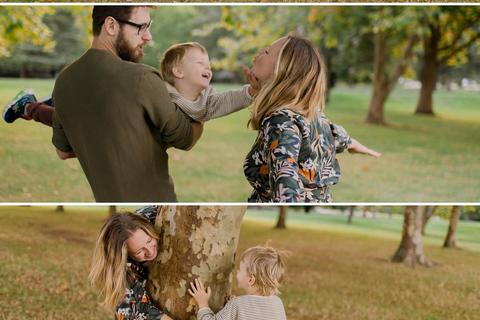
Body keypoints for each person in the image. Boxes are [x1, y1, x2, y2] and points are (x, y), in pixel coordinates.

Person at [4, 6, 203, 202]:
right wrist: (201, 104)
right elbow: (185, 139)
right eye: (141, 27)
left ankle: (29, 106)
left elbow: (63, 152)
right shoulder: (142, 77)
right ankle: (30, 106)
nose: (148, 36)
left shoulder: (64, 78)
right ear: (111, 25)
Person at [243, 32, 381, 203]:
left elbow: (285, 184)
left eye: (267, 52)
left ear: (281, 70)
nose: (260, 49)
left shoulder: (280, 123)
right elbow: (336, 135)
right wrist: (357, 146)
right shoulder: (311, 114)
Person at [3, 42, 257, 126]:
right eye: (200, 62)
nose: (208, 67)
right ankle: (28, 106)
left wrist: (253, 90)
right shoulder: (159, 89)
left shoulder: (206, 102)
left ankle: (50, 102)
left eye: (208, 63)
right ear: (177, 72)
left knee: (70, 122)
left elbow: (229, 100)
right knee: (71, 124)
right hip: (108, 112)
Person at [89, 206, 172, 320]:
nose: (150, 251)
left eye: (149, 240)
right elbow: (147, 312)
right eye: (139, 251)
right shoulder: (124, 277)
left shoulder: (147, 216)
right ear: (126, 254)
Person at [188, 243, 288, 320]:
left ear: (250, 280)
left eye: (240, 269)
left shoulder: (238, 304)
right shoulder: (278, 303)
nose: (237, 272)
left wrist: (203, 302)